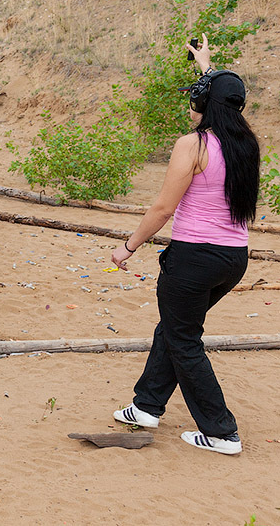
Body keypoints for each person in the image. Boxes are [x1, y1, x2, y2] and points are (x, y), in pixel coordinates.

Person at [110, 34, 259, 455]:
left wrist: (129, 246)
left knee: (183, 339)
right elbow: (222, 96)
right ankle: (146, 406)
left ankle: (220, 431)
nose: (189, 106)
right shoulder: (245, 145)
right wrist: (205, 63)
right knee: (177, 329)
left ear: (203, 105)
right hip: (233, 259)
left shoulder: (192, 145)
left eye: (194, 100)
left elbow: (162, 209)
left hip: (193, 259)